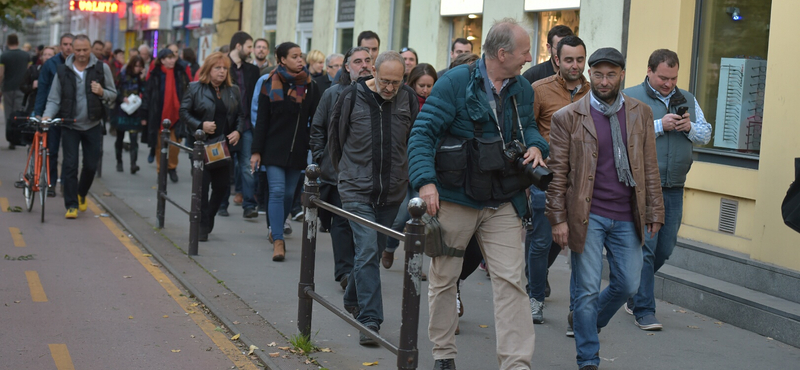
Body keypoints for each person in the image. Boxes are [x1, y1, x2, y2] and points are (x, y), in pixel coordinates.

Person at [407, 18, 548, 370]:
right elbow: (422, 134)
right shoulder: (454, 83)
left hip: (503, 199)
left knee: (511, 282)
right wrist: (426, 183)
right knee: (444, 277)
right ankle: (443, 354)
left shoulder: (522, 88)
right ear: (502, 53)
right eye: (525, 51)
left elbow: (530, 126)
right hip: (456, 197)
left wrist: (536, 146)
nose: (530, 57)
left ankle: (516, 364)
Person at [546, 47, 664, 370]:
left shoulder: (640, 113)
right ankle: (588, 359)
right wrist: (558, 219)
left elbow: (649, 168)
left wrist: (655, 211)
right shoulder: (568, 117)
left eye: (611, 74)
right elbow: (557, 175)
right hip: (588, 214)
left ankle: (586, 320)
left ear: (622, 75)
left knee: (629, 284)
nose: (604, 80)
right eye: (597, 74)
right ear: (590, 75)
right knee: (585, 290)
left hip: (628, 214)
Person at [328, 50, 418, 346]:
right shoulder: (351, 97)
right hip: (356, 188)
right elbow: (336, 140)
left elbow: (412, 139)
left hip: (391, 192)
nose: (390, 88)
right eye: (385, 81)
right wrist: (345, 175)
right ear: (373, 73)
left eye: (396, 82)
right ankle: (370, 319)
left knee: (372, 253)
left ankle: (353, 296)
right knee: (366, 250)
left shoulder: (407, 98)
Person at [622, 49, 711, 330]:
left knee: (666, 248)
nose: (668, 84)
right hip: (644, 186)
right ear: (649, 71)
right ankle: (645, 310)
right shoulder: (631, 96)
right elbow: (623, 136)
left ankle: (633, 290)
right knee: (647, 249)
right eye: (663, 77)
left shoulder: (687, 98)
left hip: (674, 185)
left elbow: (706, 134)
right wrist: (660, 125)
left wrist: (688, 127)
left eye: (673, 78)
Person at [526, 35, 590, 325]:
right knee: (541, 241)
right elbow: (527, 128)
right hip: (548, 179)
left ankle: (577, 309)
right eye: (568, 60)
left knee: (569, 243)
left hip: (583, 183)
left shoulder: (595, 92)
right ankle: (535, 297)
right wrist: (537, 148)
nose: (574, 65)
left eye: (579, 59)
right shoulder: (539, 89)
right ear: (557, 60)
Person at [309, 46, 372, 290]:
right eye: (358, 61)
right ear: (347, 67)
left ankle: (362, 269)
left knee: (366, 224)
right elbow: (317, 129)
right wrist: (322, 159)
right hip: (338, 173)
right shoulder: (333, 93)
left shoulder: (382, 94)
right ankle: (345, 272)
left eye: (368, 60)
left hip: (368, 173)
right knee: (341, 222)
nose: (364, 65)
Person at [250, 42, 320, 261]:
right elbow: (261, 120)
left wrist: (312, 144)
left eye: (301, 56)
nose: (300, 60)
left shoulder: (310, 85)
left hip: (298, 150)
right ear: (281, 59)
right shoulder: (268, 83)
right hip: (273, 149)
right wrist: (256, 151)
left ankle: (276, 229)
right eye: (295, 56)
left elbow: (317, 119)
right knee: (278, 192)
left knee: (290, 195)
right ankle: (278, 240)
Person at [42, 34, 117, 219]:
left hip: (92, 124)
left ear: (90, 49)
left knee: (91, 166)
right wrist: (47, 115)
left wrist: (102, 92)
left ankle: (81, 193)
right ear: (71, 50)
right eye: (78, 50)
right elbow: (54, 98)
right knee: (70, 165)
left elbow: (113, 94)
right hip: (69, 125)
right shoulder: (62, 70)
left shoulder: (102, 68)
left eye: (85, 50)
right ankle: (71, 205)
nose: (81, 54)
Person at [180, 52, 244, 241]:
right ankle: (201, 224)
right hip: (201, 146)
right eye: (218, 68)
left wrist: (238, 131)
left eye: (225, 68)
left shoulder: (233, 90)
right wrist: (200, 125)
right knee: (202, 186)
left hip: (222, 147)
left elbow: (240, 115)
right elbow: (184, 112)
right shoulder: (194, 88)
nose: (222, 72)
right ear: (208, 69)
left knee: (222, 186)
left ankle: (209, 217)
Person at [381, 62, 436, 273]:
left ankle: (415, 264)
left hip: (427, 168)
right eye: (421, 85)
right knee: (401, 215)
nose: (425, 90)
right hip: (403, 167)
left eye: (430, 85)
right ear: (412, 84)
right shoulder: (402, 101)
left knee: (422, 219)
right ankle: (389, 246)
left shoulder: (437, 105)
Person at [34, 33, 74, 197]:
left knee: (69, 152)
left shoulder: (77, 64)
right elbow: (42, 89)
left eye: (71, 44)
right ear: (60, 46)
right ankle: (51, 182)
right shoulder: (50, 64)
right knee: (51, 150)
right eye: (65, 44)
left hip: (70, 114)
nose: (68, 47)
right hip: (52, 114)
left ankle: (65, 183)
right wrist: (38, 113)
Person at [143, 48, 191, 182]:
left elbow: (188, 89)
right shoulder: (155, 74)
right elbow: (148, 93)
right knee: (160, 146)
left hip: (177, 114)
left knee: (175, 145)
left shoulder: (180, 72)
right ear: (162, 60)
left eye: (173, 58)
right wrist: (144, 114)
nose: (172, 60)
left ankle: (172, 167)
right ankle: (160, 171)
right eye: (169, 58)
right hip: (158, 114)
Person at [227, 31, 260, 219]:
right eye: (249, 46)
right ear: (238, 46)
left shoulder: (252, 70)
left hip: (246, 125)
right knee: (224, 165)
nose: (251, 51)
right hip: (225, 125)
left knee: (247, 166)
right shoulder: (221, 65)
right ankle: (222, 204)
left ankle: (249, 205)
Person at [113, 55, 147, 174]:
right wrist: (122, 98)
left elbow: (145, 91)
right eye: (136, 66)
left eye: (140, 66)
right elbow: (115, 90)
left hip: (135, 111)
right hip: (122, 110)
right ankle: (119, 161)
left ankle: (133, 164)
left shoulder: (140, 78)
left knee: (133, 139)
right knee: (120, 137)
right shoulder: (122, 75)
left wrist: (143, 79)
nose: (137, 69)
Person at [1, 34, 32, 149]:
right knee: (18, 113)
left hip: (8, 88)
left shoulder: (4, 56)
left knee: (8, 113)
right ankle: (17, 137)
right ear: (18, 42)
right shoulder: (26, 55)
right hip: (21, 88)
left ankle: (10, 139)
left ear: (8, 42)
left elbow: (1, 74)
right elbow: (29, 71)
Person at [21, 47, 55, 115]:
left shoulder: (58, 72)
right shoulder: (33, 70)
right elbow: (22, 86)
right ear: (41, 57)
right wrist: (32, 86)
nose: (47, 57)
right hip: (34, 108)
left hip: (52, 109)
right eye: (44, 55)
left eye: (50, 55)